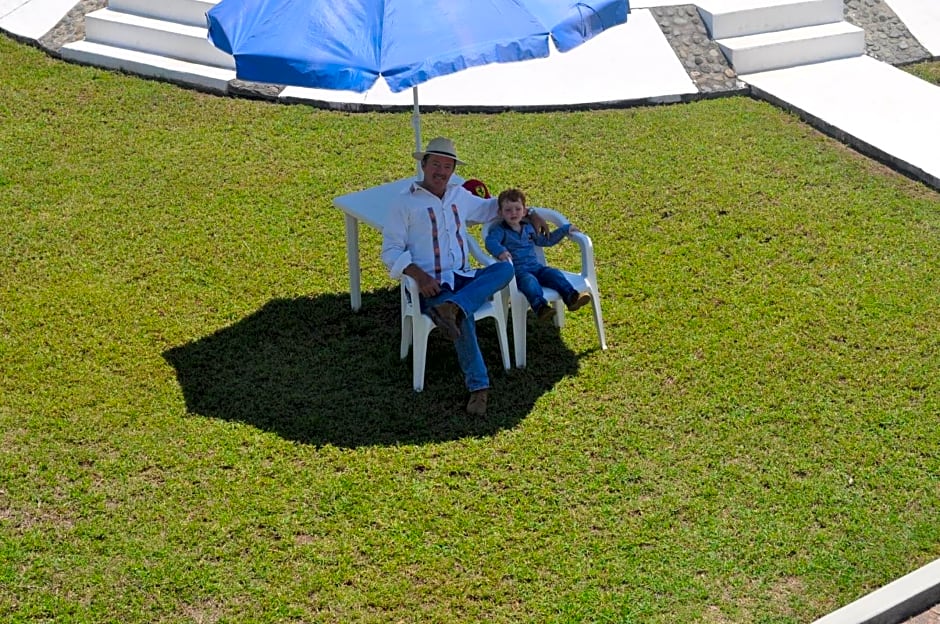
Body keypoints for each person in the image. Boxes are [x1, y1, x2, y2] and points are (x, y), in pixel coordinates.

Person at [381, 138, 548, 417]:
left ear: (454, 169)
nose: (441, 171)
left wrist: (532, 213)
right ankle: (478, 387)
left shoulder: (460, 196)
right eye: (436, 164)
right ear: (423, 165)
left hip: (463, 277)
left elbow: (497, 207)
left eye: (448, 166)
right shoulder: (404, 203)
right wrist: (420, 277)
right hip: (431, 286)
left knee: (506, 268)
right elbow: (390, 250)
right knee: (462, 318)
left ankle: (454, 308)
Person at [485, 188, 591, 323]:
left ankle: (571, 297)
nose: (513, 213)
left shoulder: (528, 228)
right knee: (530, 282)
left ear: (524, 211)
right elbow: (490, 241)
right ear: (500, 213)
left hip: (536, 268)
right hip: (518, 273)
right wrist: (501, 252)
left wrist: (565, 229)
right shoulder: (500, 230)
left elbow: (546, 240)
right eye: (508, 210)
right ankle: (541, 307)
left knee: (554, 274)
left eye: (517, 209)